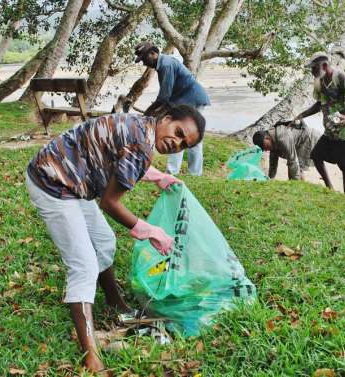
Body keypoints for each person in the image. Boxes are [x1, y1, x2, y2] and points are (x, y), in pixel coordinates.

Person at [25, 105, 205, 373]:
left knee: (105, 242)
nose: (175, 143)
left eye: (183, 144)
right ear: (166, 119)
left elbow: (123, 156)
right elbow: (110, 203)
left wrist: (158, 177)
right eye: (178, 132)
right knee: (83, 266)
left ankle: (114, 302)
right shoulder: (142, 145)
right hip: (53, 183)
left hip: (71, 177)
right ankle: (90, 356)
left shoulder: (142, 126)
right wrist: (149, 231)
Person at [134, 42, 210, 177]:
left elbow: (164, 96)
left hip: (193, 99)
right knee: (179, 133)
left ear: (153, 53)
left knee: (183, 135)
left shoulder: (166, 64)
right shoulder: (163, 63)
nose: (144, 63)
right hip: (184, 99)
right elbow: (166, 98)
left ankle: (184, 172)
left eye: (145, 58)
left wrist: (148, 113)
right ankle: (188, 172)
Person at [294, 52, 345, 194]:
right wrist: (302, 115)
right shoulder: (319, 82)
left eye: (314, 68)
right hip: (331, 130)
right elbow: (319, 104)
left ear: (324, 65)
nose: (312, 71)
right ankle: (329, 188)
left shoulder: (341, 77)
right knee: (316, 155)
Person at [252, 121, 322, 180]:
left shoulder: (281, 137)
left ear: (267, 138)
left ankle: (299, 189)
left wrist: (293, 184)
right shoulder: (272, 142)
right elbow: (273, 164)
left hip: (308, 139)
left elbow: (293, 161)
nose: (266, 150)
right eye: (264, 149)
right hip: (302, 141)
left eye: (265, 146)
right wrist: (270, 179)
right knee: (295, 169)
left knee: (298, 169)